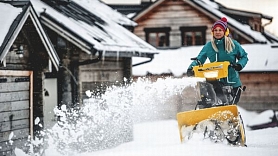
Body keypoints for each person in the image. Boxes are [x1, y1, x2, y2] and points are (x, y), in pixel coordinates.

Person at [187, 17, 248, 104]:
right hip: (216, 83)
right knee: (207, 85)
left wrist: (239, 65)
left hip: (233, 83)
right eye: (215, 30)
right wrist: (191, 68)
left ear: (225, 32)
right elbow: (199, 60)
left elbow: (244, 57)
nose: (218, 32)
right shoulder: (209, 46)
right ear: (212, 32)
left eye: (220, 30)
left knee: (229, 107)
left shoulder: (234, 45)